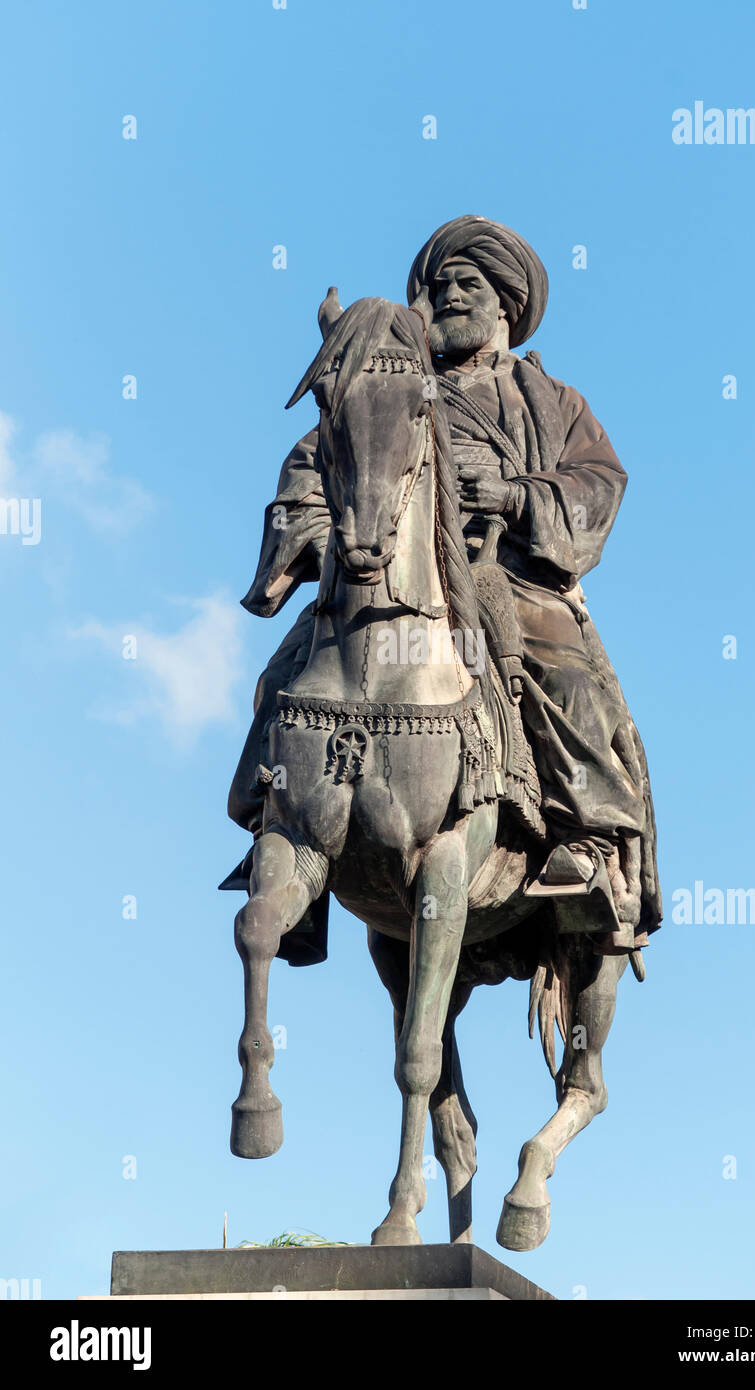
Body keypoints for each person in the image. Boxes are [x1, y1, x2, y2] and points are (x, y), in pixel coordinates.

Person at [228, 216, 661, 950]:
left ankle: (589, 846)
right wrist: (320, 533)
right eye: (440, 285)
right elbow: (313, 465)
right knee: (284, 675)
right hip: (383, 570)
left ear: (505, 305)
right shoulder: (384, 378)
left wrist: (517, 495)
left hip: (506, 572)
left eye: (469, 284)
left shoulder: (552, 401)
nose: (451, 294)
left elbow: (597, 483)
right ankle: (280, 832)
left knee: (570, 684)